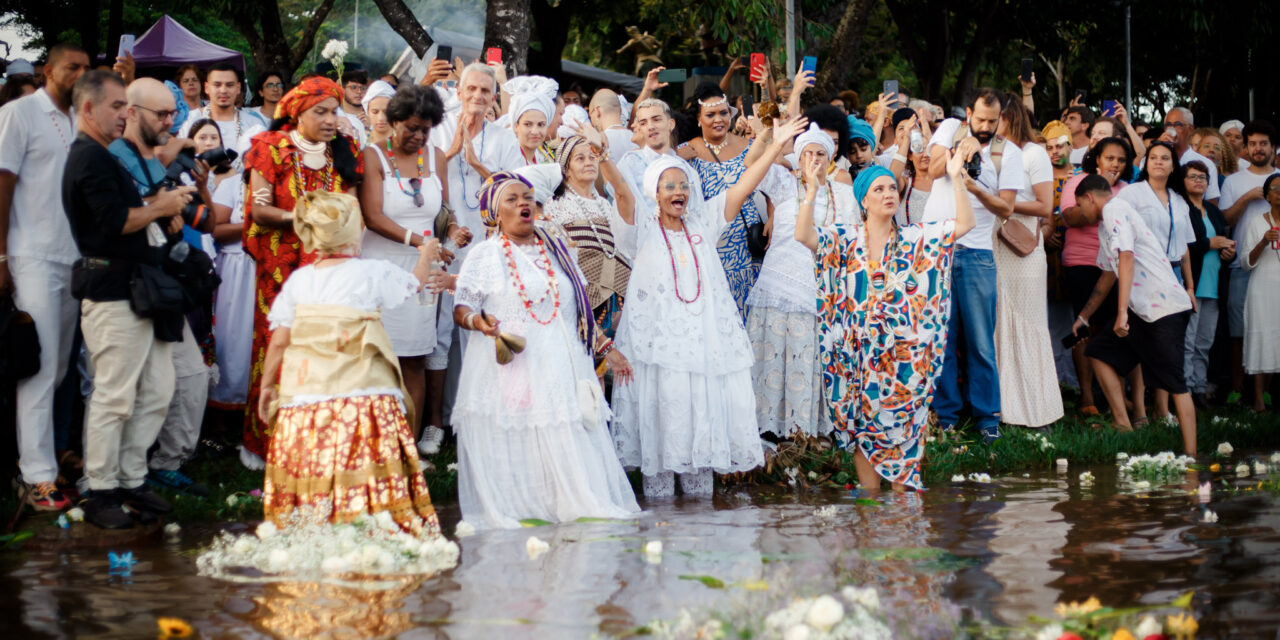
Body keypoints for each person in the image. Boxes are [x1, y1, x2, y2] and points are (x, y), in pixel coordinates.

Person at [613, 117, 803, 499]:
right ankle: (659, 517)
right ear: (655, 192)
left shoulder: (704, 220)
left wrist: (772, 147)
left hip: (703, 343)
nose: (678, 191)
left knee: (699, 424)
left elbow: (742, 187)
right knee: (665, 421)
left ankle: (701, 523)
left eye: (683, 184)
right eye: (669, 185)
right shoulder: (643, 229)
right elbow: (622, 197)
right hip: (657, 347)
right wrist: (604, 158)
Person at [450, 172, 640, 529]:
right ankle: (528, 506)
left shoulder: (557, 249)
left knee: (567, 433)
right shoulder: (485, 255)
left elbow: (579, 308)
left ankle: (570, 502)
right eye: (513, 199)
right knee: (523, 435)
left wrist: (606, 348)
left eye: (528, 197)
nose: (524, 203)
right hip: (516, 363)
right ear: (494, 212)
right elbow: (463, 306)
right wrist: (480, 323)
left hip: (563, 364)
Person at [257, 190, 441, 533]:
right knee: (366, 463)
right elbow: (415, 284)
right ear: (355, 232)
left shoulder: (300, 280)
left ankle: (314, 523)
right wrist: (427, 254)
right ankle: (373, 521)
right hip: (364, 392)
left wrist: (268, 386)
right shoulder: (371, 272)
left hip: (309, 396)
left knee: (316, 462)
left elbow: (280, 340)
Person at [63, 70, 198, 528]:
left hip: (142, 290)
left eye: (126, 106)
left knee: (158, 390)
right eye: (116, 107)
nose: (124, 115)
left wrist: (162, 211)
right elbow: (109, 224)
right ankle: (101, 490)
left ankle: (131, 478)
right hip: (111, 290)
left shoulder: (102, 156)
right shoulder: (88, 158)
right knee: (114, 395)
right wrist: (161, 207)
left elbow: (131, 218)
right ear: (88, 110)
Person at [795, 152, 975, 490]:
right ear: (863, 199)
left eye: (892, 188)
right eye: (878, 189)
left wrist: (957, 178)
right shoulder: (844, 239)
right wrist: (811, 191)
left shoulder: (913, 239)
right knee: (864, 428)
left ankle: (902, 519)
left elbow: (963, 225)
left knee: (905, 428)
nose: (889, 194)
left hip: (902, 357)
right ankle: (869, 509)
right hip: (857, 357)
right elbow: (804, 236)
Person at [240, 76, 364, 469]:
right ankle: (266, 440)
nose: (330, 120)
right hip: (280, 265)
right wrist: (308, 219)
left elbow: (351, 210)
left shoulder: (345, 151)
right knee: (277, 343)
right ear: (296, 113)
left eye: (334, 111)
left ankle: (318, 440)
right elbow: (260, 210)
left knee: (325, 347)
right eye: (320, 112)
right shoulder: (269, 147)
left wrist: (332, 232)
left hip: (328, 264)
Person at [107, 78, 216, 496]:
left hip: (164, 284)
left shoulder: (158, 157)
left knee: (191, 376)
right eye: (163, 114)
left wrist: (183, 200)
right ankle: (111, 477)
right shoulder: (113, 156)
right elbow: (115, 216)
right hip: (126, 287)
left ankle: (165, 464)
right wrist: (159, 208)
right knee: (123, 390)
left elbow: (198, 218)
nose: (172, 121)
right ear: (132, 112)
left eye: (174, 113)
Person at [0, 42, 88, 511]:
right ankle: (35, 476)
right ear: (47, 69)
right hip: (30, 254)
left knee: (56, 370)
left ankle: (38, 461)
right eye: (71, 67)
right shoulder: (19, 113)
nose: (79, 74)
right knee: (38, 367)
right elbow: (3, 181)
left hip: (71, 257)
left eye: (85, 68)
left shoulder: (79, 118)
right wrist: (0, 257)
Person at [358, 85, 456, 454]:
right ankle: (375, 447)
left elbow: (442, 210)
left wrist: (451, 233)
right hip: (382, 265)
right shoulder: (372, 156)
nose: (417, 136)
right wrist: (419, 242)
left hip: (425, 267)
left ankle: (408, 449)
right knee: (379, 359)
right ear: (393, 121)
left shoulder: (437, 157)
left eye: (426, 130)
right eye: (411, 127)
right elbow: (373, 216)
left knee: (414, 358)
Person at [924, 88, 1024, 442]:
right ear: (968, 113)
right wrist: (960, 148)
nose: (984, 126)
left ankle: (987, 419)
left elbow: (1007, 209)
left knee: (981, 341)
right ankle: (946, 417)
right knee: (942, 339)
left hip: (978, 251)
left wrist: (975, 187)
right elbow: (932, 170)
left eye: (992, 121)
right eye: (979, 119)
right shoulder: (950, 128)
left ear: (1002, 120)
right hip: (936, 248)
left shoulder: (1008, 154)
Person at [746, 123, 855, 442]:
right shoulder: (783, 183)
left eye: (821, 153)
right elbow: (751, 165)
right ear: (798, 157)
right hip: (777, 287)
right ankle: (767, 430)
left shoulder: (843, 194)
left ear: (831, 158)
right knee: (774, 358)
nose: (814, 159)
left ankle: (809, 430)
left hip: (819, 288)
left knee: (810, 360)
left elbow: (851, 240)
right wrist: (768, 138)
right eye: (807, 153)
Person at [1071, 175, 1196, 454]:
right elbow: (1108, 274)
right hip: (1142, 310)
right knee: (1099, 352)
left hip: (1166, 308)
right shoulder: (1105, 225)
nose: (1080, 212)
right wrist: (1084, 316)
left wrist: (1121, 313)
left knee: (1175, 381)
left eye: (1080, 205)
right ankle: (1123, 424)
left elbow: (1126, 257)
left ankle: (1191, 457)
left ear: (1090, 197)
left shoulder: (1116, 209)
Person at [993, 96, 1063, 428]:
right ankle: (1008, 411)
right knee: (1002, 324)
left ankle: (1039, 411)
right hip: (996, 243)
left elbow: (1046, 207)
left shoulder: (1034, 153)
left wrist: (1005, 204)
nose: (991, 125)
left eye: (997, 119)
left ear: (1010, 118)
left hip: (1024, 247)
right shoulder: (994, 152)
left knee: (1028, 324)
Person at [1060, 137, 1138, 418]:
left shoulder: (1127, 190)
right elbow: (1071, 217)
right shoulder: (1078, 182)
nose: (1115, 164)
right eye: (1110, 158)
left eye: (1121, 160)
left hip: (1118, 267)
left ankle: (1116, 394)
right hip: (1082, 262)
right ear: (1097, 159)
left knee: (1116, 328)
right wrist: (1102, 201)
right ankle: (1087, 396)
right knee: (1084, 331)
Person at [678, 83, 767, 318]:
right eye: (710, 115)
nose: (718, 119)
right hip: (713, 247)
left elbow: (773, 182)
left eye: (723, 113)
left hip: (751, 243)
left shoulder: (749, 146)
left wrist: (774, 214)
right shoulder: (686, 152)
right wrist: (677, 160)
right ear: (698, 119)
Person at [540, 130, 634, 348]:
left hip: (618, 293)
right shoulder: (556, 204)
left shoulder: (604, 204)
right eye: (580, 158)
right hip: (581, 294)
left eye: (592, 157)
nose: (588, 162)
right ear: (566, 168)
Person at [1220, 120, 1279, 405]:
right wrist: (1247, 198)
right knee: (1238, 331)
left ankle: (1265, 390)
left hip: (1275, 267)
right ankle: (1236, 388)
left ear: (1273, 147)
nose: (1258, 148)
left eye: (1263, 143)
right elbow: (1225, 222)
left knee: (1272, 327)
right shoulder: (1234, 181)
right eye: (1252, 143)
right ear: (1246, 147)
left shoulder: (1279, 177)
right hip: (1241, 265)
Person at [207, 119, 254, 415]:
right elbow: (216, 229)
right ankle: (225, 406)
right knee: (231, 337)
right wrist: (253, 224)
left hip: (266, 269)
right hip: (235, 269)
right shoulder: (232, 184)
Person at [1182, 160, 1233, 407]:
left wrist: (1227, 252)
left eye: (1203, 177)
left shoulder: (1213, 211)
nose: (1198, 181)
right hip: (1190, 285)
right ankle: (1186, 391)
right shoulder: (1181, 209)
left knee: (1204, 342)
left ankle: (1200, 389)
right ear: (1183, 181)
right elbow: (1181, 246)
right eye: (1192, 176)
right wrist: (1209, 245)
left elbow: (1225, 239)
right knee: (1188, 342)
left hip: (1213, 285)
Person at [616, 98, 706, 218]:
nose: (650, 127)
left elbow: (698, 213)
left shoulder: (686, 169)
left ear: (671, 124)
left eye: (656, 120)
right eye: (643, 123)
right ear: (639, 129)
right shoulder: (630, 163)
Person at [178, 62, 267, 171]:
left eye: (229, 85)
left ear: (238, 88)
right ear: (206, 87)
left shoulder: (254, 124)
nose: (223, 90)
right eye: (217, 85)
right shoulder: (189, 120)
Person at [1241, 174, 1280, 411]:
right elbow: (1246, 262)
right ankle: (1258, 400)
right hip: (1262, 288)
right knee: (1261, 336)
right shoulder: (1257, 222)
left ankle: (1272, 395)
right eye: (1276, 188)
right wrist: (1263, 241)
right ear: (1267, 196)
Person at [1161, 106, 1219, 203]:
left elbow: (1211, 203)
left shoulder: (1206, 164)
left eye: (1177, 125)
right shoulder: (1155, 161)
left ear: (1191, 129)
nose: (1171, 129)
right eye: (1168, 125)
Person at [502, 75, 558, 166]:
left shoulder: (541, 157)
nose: (535, 131)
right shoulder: (506, 160)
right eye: (528, 124)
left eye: (541, 124)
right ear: (516, 126)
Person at [587, 87, 639, 158]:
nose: (591, 121)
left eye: (590, 115)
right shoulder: (639, 139)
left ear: (597, 111)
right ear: (620, 111)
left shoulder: (596, 145)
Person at [337, 68, 369, 146]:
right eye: (354, 87)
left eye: (363, 88)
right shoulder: (338, 118)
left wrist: (370, 128)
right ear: (342, 90)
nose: (359, 92)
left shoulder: (374, 116)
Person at [361, 79, 396, 149]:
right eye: (375, 112)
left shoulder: (405, 139)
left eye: (386, 112)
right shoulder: (361, 141)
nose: (381, 118)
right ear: (367, 112)